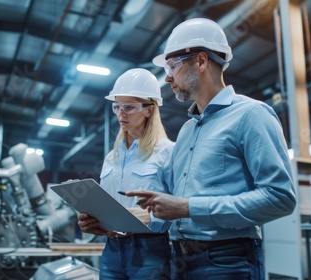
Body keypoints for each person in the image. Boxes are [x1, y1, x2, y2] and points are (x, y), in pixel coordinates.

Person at [126, 18, 297, 279]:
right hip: (179, 258)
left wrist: (189, 207)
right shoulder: (186, 131)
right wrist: (126, 222)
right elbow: (176, 206)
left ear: (202, 61)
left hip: (227, 260)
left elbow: (280, 197)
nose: (168, 77)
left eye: (173, 65)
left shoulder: (252, 115)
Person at [77, 68, 174, 279]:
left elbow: (182, 212)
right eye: (117, 106)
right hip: (112, 249)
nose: (121, 113)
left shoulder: (168, 152)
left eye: (128, 107)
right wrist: (91, 220)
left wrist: (150, 218)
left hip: (150, 251)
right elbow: (105, 204)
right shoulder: (112, 157)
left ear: (149, 109)